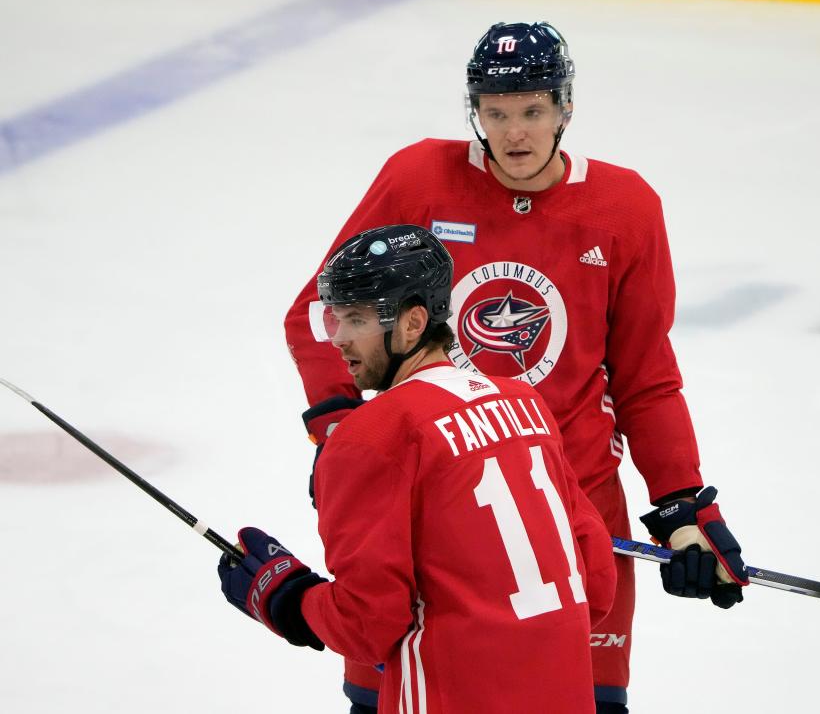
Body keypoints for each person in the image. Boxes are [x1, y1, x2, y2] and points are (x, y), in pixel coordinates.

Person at [284, 22, 749, 714]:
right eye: (496, 115)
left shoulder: (624, 209)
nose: (515, 134)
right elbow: (316, 318)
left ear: (565, 107)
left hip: (574, 519)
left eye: (533, 111)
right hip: (427, 517)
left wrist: (681, 507)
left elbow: (646, 377)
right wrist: (344, 437)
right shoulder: (419, 178)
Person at [219, 225, 618, 714]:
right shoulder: (526, 404)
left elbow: (366, 626)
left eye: (356, 319)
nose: (339, 339)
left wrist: (288, 599)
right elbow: (596, 583)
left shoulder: (371, 436)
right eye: (335, 319)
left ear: (412, 323)